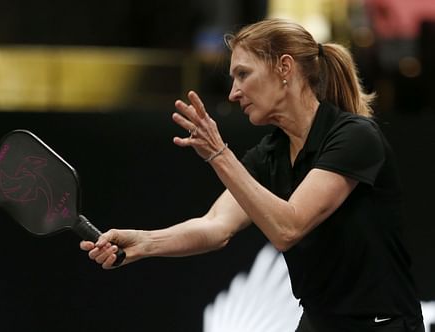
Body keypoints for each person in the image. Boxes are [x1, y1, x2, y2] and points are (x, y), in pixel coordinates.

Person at [80, 18, 424, 331]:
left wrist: (219, 154)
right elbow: (216, 226)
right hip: (319, 322)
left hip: (383, 325)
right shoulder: (269, 155)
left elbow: (289, 228)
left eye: (243, 74)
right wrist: (145, 242)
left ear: (284, 68)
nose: (233, 92)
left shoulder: (354, 136)